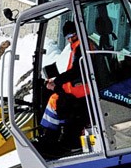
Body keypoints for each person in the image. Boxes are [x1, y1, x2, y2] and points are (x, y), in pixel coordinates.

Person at [40, 20, 93, 153]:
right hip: (78, 89)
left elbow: (77, 71)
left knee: (55, 101)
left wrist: (58, 82)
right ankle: (55, 137)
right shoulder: (79, 46)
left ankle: (50, 140)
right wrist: (58, 81)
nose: (70, 40)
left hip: (82, 93)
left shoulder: (82, 47)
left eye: (72, 36)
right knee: (51, 94)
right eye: (67, 37)